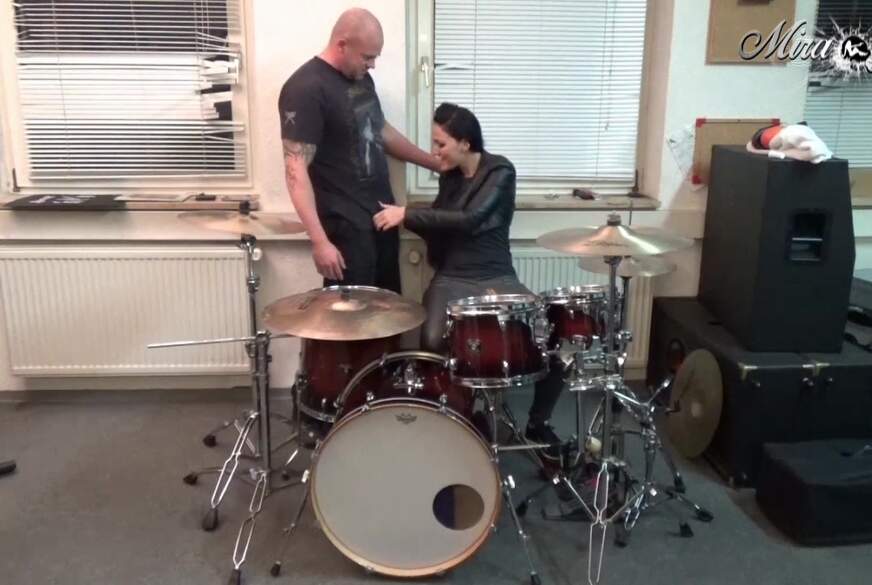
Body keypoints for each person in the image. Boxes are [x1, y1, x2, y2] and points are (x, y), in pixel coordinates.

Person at [373, 103, 564, 463]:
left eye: (440, 143)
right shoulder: (450, 176)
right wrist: (404, 219)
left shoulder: (500, 171)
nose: (434, 152)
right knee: (431, 341)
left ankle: (538, 424)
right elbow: (442, 221)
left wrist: (407, 214)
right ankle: (452, 417)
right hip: (453, 276)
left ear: (464, 142)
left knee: (549, 340)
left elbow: (471, 218)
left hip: (496, 275)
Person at [278, 8, 438, 293]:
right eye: (367, 57)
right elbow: (295, 171)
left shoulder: (361, 79)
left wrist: (434, 164)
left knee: (389, 308)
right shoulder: (305, 88)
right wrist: (320, 242)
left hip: (381, 218)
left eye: (375, 57)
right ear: (342, 45)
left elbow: (380, 130)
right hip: (345, 229)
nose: (372, 65)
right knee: (352, 314)